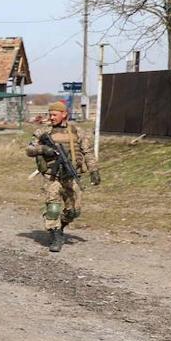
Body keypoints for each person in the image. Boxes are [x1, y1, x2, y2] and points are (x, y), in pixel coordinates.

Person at [25, 101, 100, 253]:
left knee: (74, 211)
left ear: (64, 114)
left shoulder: (77, 131)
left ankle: (60, 226)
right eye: (50, 114)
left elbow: (87, 152)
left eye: (54, 114)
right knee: (53, 208)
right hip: (52, 176)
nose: (51, 117)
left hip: (71, 175)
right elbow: (29, 150)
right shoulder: (43, 132)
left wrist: (94, 171)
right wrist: (43, 149)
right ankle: (55, 235)